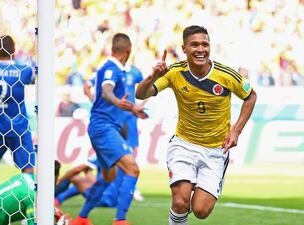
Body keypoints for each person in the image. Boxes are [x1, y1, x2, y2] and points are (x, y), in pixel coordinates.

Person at [135, 25, 257, 225]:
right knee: (181, 202)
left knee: (201, 210)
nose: (200, 49)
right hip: (184, 144)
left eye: (205, 44)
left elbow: (251, 96)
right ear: (184, 48)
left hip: (216, 150)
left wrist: (236, 131)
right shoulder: (174, 72)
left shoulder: (226, 75)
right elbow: (140, 94)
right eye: (194, 45)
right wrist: (152, 76)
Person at [72, 33, 148, 225]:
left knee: (109, 175)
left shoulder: (109, 68)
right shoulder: (111, 69)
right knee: (133, 169)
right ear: (128, 51)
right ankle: (120, 220)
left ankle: (81, 218)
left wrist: (133, 108)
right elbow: (107, 91)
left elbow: (112, 97)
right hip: (104, 128)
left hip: (102, 127)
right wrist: (116, 101)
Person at [0, 35, 35, 190]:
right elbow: (33, 75)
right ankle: (29, 209)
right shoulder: (23, 70)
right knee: (28, 172)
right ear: (14, 51)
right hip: (19, 129)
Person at [55, 156, 124, 208]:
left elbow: (77, 169)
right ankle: (58, 198)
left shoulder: (102, 155)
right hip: (115, 201)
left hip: (102, 198)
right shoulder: (123, 156)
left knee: (73, 177)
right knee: (86, 180)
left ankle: (55, 197)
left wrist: (59, 180)